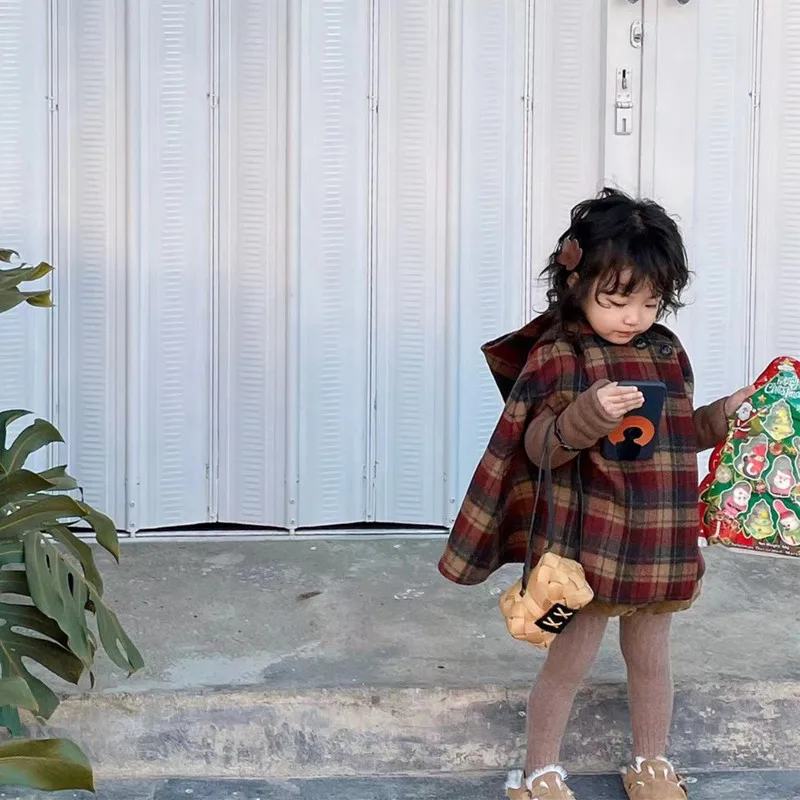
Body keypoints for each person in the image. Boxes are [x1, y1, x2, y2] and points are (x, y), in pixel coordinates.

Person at [438, 189, 754, 800]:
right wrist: (586, 415)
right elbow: (538, 447)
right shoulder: (561, 353)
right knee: (570, 660)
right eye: (617, 299)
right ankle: (540, 772)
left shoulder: (665, 351)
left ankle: (651, 761)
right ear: (576, 282)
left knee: (652, 658)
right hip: (587, 545)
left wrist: (727, 415)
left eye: (651, 300)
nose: (634, 315)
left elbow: (681, 434)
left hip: (659, 541)